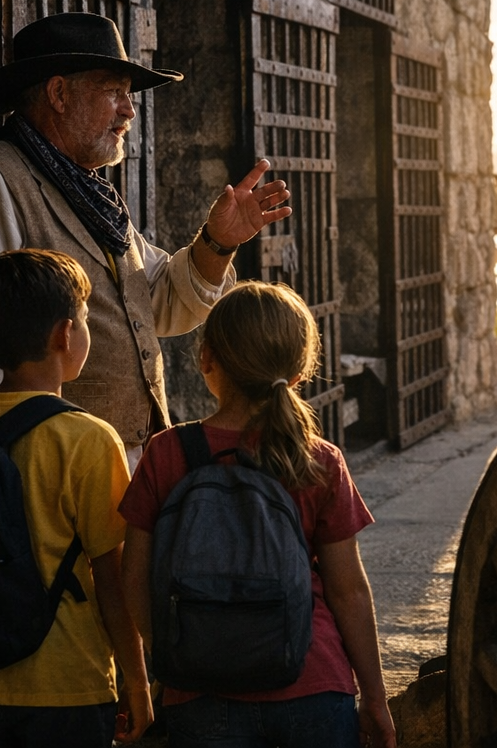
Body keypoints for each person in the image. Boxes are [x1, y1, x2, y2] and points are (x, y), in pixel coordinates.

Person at [0, 12, 291, 462]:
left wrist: (218, 241)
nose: (129, 110)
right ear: (58, 94)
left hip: (114, 473)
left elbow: (154, 306)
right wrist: (43, 471)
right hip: (43, 484)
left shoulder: (88, 191)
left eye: (127, 96)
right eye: (114, 92)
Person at [119, 282, 396, 748]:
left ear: (207, 360)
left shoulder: (167, 453)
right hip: (312, 683)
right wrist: (375, 697)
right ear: (299, 372)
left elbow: (134, 578)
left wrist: (174, 651)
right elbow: (348, 591)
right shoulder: (317, 459)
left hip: (201, 695)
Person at [0, 248, 150, 747]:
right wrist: (137, 679)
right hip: (65, 681)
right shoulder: (89, 439)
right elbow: (111, 579)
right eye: (85, 320)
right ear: (64, 335)